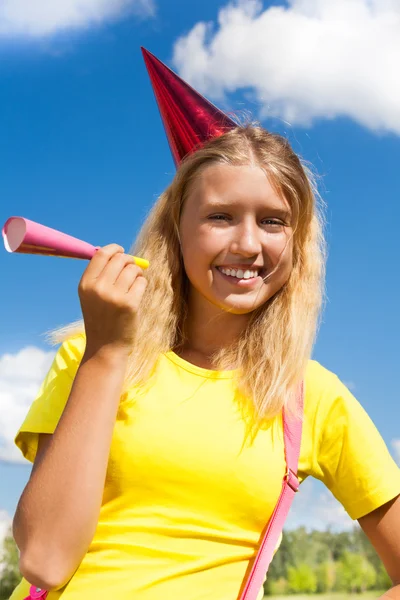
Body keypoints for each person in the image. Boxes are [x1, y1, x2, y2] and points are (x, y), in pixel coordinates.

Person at [9, 52, 400, 600]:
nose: (247, 243)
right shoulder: (87, 357)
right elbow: (45, 560)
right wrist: (106, 352)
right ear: (178, 230)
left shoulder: (313, 399)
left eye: (272, 221)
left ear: (297, 243)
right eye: (220, 216)